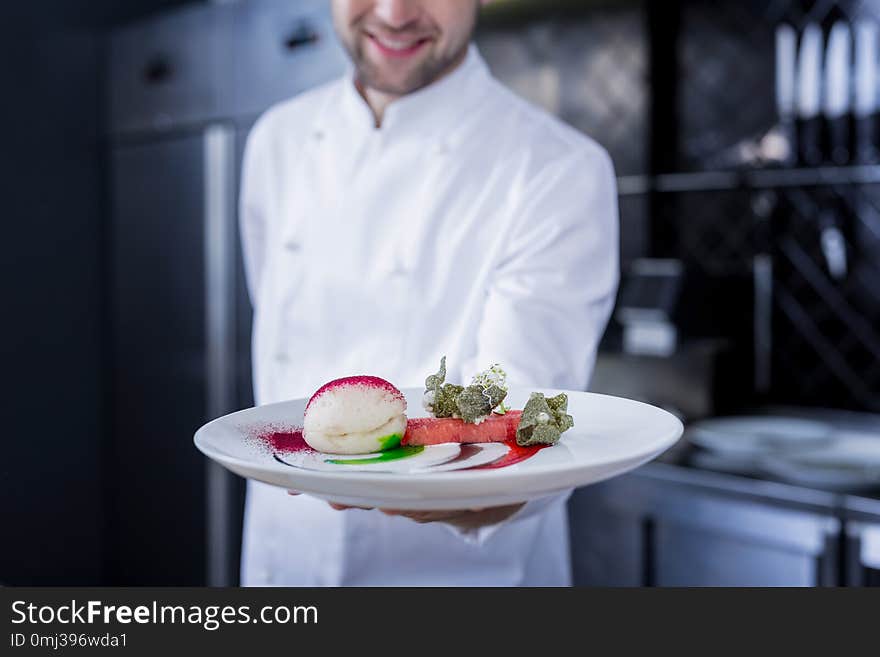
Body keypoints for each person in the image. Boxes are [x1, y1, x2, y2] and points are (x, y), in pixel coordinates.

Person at [239, 0, 618, 586]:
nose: (393, 14)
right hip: (283, 560)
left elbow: (531, 410)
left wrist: (505, 489)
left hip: (462, 573)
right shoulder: (278, 141)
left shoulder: (557, 168)